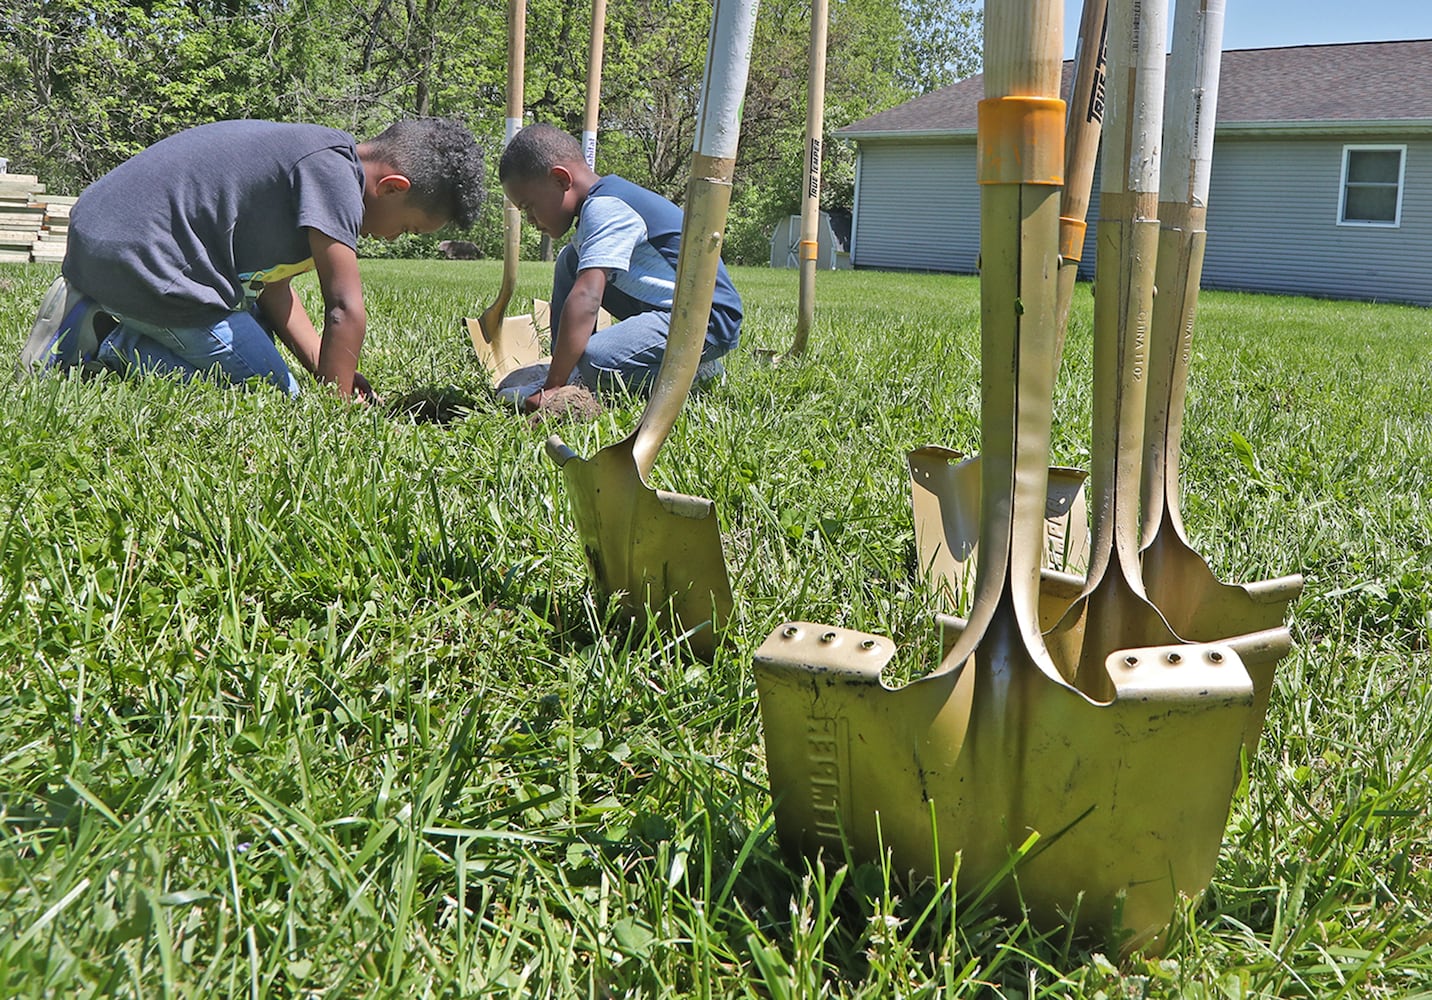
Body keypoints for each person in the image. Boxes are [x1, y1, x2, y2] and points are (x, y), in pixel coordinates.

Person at [19, 117, 485, 400]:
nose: (392, 238)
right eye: (407, 227)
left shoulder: (317, 159)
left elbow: (273, 288)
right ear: (391, 187)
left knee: (264, 341)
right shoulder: (336, 178)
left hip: (105, 240)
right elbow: (345, 307)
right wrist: (338, 409)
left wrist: (329, 371)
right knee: (271, 390)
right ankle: (108, 339)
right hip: (143, 259)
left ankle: (107, 307)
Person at [495, 123, 742, 414]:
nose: (530, 220)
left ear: (561, 180)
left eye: (529, 206)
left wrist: (550, 390)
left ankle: (694, 376)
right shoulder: (599, 204)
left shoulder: (607, 207)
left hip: (707, 321)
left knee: (597, 361)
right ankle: (570, 373)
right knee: (570, 260)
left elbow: (587, 297)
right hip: (669, 309)